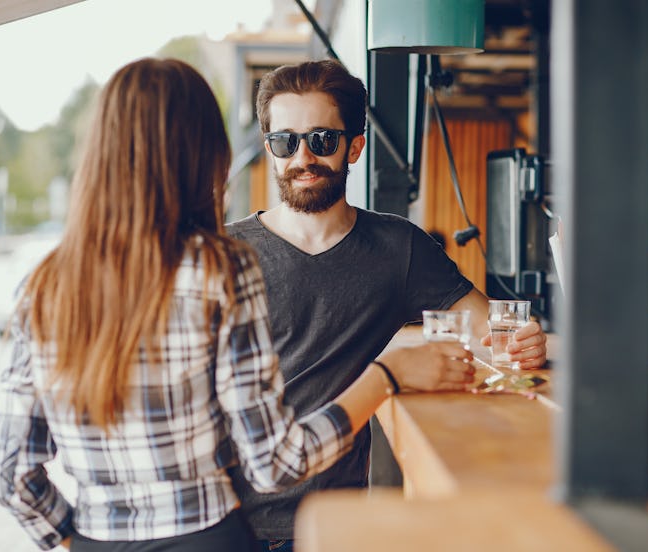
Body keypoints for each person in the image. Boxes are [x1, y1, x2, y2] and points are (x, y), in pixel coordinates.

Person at [0, 58, 476, 552]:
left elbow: (7, 473)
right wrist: (386, 376)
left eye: (321, 139)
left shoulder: (44, 286)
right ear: (203, 154)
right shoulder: (220, 268)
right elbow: (277, 463)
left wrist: (78, 542)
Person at [225, 59, 548, 550]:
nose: (302, 157)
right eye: (285, 141)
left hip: (332, 526)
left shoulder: (399, 249)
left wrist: (524, 343)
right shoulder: (221, 254)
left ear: (354, 146)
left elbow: (493, 337)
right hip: (224, 524)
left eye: (322, 140)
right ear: (270, 149)